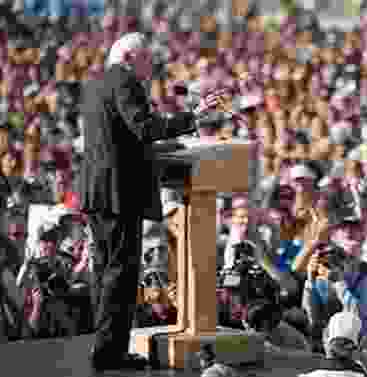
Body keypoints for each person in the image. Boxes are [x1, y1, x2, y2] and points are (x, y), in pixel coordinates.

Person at [79, 32, 226, 371]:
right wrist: (194, 117)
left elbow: (119, 137)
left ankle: (104, 346)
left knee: (104, 270)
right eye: (147, 58)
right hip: (118, 193)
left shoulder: (96, 82)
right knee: (121, 272)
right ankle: (109, 352)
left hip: (98, 190)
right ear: (130, 58)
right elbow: (144, 128)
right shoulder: (125, 82)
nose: (152, 64)